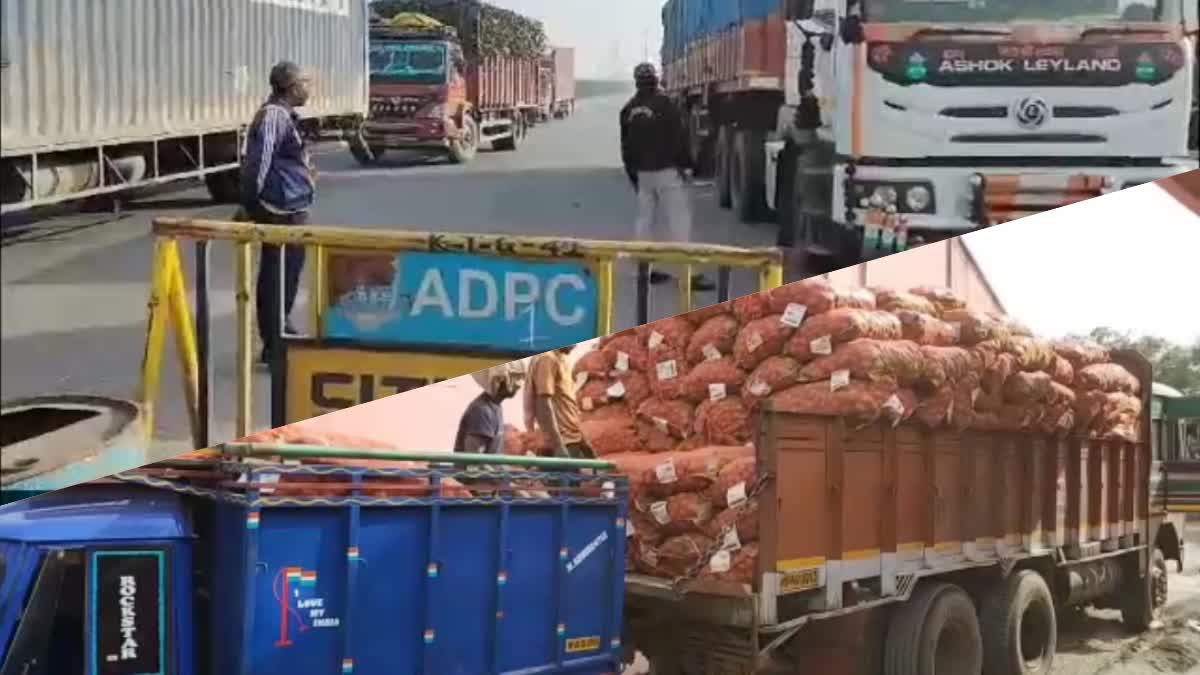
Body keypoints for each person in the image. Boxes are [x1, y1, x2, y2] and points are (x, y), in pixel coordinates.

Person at [240, 60, 317, 365]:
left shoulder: (285, 116)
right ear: (292, 86)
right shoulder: (273, 116)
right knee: (277, 274)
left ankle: (280, 330)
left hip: (292, 207)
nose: (308, 88)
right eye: (305, 82)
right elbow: (258, 162)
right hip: (278, 209)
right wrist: (251, 204)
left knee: (289, 272)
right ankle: (273, 343)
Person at [620, 62, 714, 292]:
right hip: (667, 172)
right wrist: (689, 166)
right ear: (656, 79)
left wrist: (634, 176)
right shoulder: (667, 104)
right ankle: (689, 274)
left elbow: (626, 149)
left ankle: (644, 271)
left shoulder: (628, 110)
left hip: (643, 174)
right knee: (679, 222)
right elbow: (679, 139)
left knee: (644, 222)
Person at [527, 346, 593, 459]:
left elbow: (567, 405)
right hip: (562, 442)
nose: (576, 345)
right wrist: (558, 446)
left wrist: (584, 442)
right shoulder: (547, 359)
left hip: (571, 440)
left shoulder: (562, 359)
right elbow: (543, 404)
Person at [454, 363, 525, 455]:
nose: (519, 384)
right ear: (499, 381)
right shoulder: (481, 411)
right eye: (515, 378)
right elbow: (473, 460)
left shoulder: (495, 406)